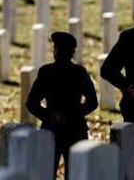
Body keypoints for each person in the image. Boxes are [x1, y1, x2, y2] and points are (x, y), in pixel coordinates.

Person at [26, 32, 98, 179]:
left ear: (56, 51)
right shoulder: (79, 72)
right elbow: (92, 102)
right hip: (75, 128)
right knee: (76, 174)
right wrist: (73, 115)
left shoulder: (47, 72)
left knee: (46, 173)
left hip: (51, 128)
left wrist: (51, 116)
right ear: (72, 52)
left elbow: (32, 103)